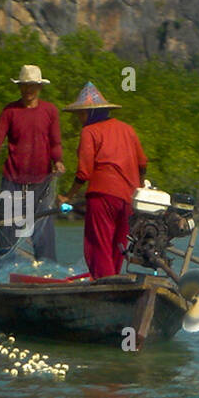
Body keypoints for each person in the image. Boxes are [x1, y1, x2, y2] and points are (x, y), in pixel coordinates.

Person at [0, 64, 64, 260]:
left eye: (32, 86)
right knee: (8, 227)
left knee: (43, 228)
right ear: (19, 87)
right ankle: (2, 265)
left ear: (39, 88)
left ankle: (46, 269)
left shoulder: (50, 111)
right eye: (24, 86)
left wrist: (58, 161)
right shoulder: (10, 111)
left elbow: (55, 142)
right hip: (13, 179)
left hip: (41, 180)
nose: (28, 90)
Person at [59, 82, 148, 280]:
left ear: (90, 114)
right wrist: (140, 186)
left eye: (81, 114)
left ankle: (106, 285)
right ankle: (114, 280)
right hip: (128, 198)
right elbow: (143, 163)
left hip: (102, 196)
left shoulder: (89, 132)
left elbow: (83, 173)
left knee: (99, 245)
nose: (79, 118)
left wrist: (67, 196)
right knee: (118, 246)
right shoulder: (128, 129)